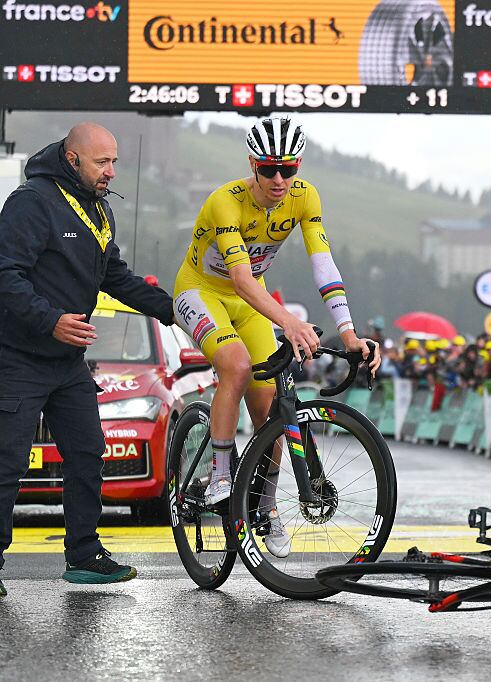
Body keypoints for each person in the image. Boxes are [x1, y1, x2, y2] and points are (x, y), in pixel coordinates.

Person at [172, 117, 380, 559]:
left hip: (252, 302)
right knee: (236, 366)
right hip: (202, 291)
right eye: (269, 169)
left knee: (271, 410)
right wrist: (288, 321)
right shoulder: (225, 202)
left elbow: (323, 263)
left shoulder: (304, 197)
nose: (280, 179)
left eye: (289, 168)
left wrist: (350, 333)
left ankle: (266, 509)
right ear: (252, 165)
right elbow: (243, 278)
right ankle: (222, 471)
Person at [0, 123, 176, 594]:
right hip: (17, 357)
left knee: (87, 454)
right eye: (102, 162)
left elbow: (115, 276)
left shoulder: (99, 211)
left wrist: (177, 310)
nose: (111, 172)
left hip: (68, 363)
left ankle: (84, 555)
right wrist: (51, 320)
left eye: (114, 162)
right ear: (73, 159)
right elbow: (5, 275)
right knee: (7, 462)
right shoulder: (31, 202)